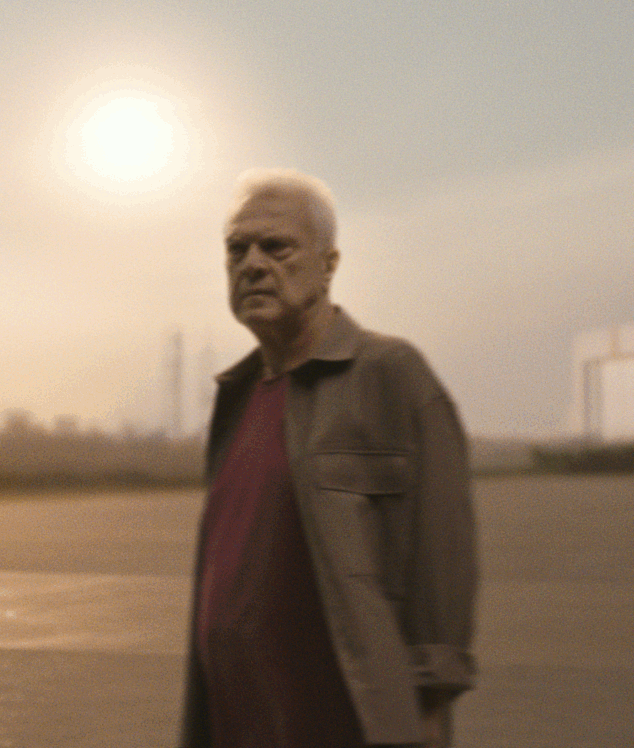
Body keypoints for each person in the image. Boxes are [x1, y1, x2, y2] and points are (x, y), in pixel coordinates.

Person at [178, 169, 477, 748]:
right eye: (237, 250)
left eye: (277, 247)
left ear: (328, 264)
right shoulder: (237, 397)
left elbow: (441, 562)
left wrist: (428, 714)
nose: (252, 265)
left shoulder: (391, 376)